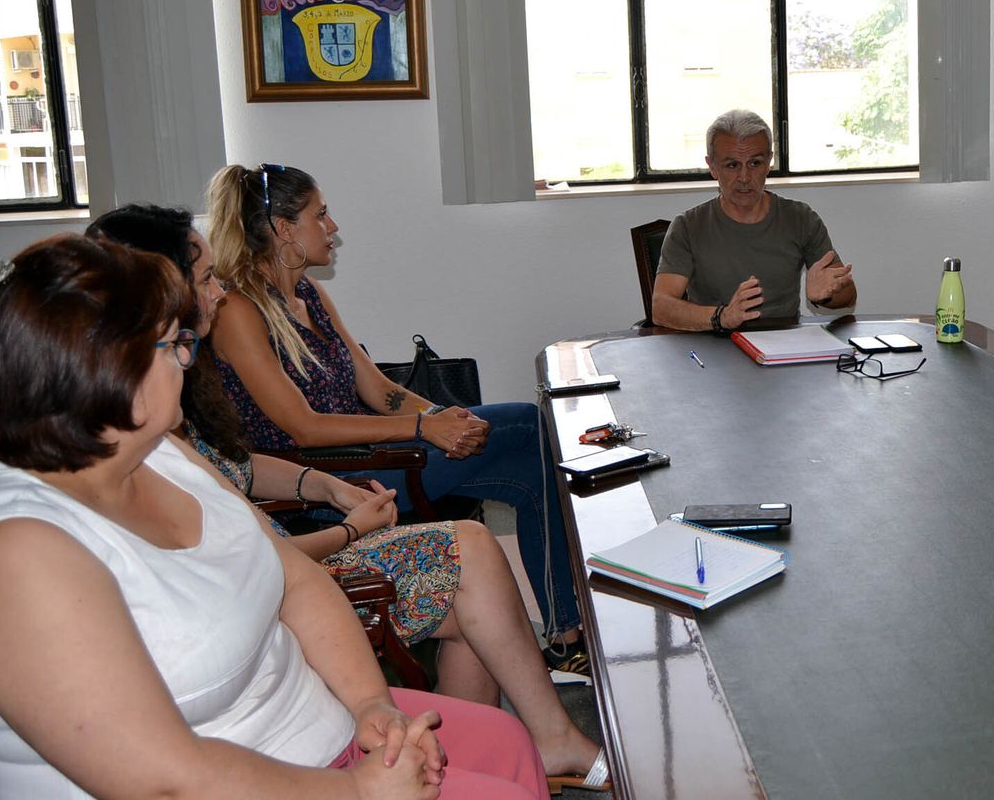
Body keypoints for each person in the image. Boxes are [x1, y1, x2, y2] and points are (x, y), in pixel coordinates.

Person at [0, 234, 549, 799]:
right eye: (174, 345)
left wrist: (369, 703)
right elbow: (161, 780)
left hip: (312, 731)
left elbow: (296, 581)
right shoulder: (14, 556)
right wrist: (355, 789)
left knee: (507, 744)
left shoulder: (161, 450)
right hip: (241, 779)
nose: (187, 359)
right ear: (109, 371)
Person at [86, 203, 607, 793]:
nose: (219, 290)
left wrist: (335, 479)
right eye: (206, 279)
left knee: (485, 537)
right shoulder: (163, 413)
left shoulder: (186, 393)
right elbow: (284, 482)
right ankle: (542, 713)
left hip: (313, 525)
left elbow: (244, 467)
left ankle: (485, 746)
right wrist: (356, 518)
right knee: (475, 548)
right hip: (300, 556)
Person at [201, 163, 582, 659]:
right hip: (331, 480)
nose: (333, 227)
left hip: (371, 454)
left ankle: (567, 636)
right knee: (528, 424)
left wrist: (447, 419)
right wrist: (425, 426)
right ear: (284, 229)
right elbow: (303, 427)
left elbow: (378, 389)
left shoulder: (309, 294)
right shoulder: (239, 311)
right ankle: (567, 634)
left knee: (531, 464)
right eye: (321, 214)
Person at [651, 109, 856, 332]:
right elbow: (661, 308)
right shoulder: (688, 227)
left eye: (755, 163)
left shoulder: (801, 218)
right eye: (732, 165)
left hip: (783, 343)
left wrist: (827, 295)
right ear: (712, 167)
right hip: (714, 343)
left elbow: (848, 295)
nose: (744, 177)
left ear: (769, 162)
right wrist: (722, 317)